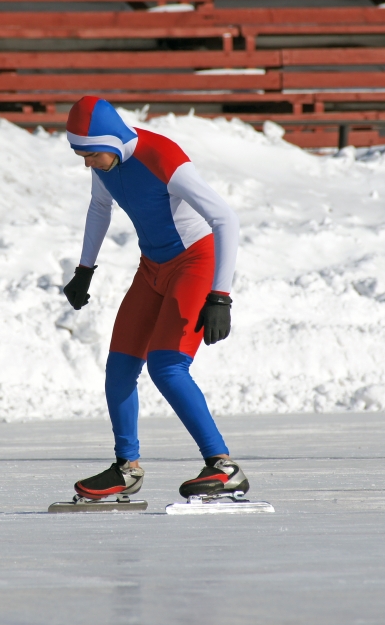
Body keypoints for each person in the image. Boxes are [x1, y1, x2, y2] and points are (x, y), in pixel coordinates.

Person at [61, 95, 247, 500]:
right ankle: (126, 469)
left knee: (167, 366)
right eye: (80, 154)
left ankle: (223, 466)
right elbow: (99, 206)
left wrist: (221, 296)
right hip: (153, 266)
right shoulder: (105, 158)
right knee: (120, 366)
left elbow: (225, 218)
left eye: (89, 154)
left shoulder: (163, 157)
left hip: (195, 262)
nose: (86, 163)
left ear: (109, 141)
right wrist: (84, 270)